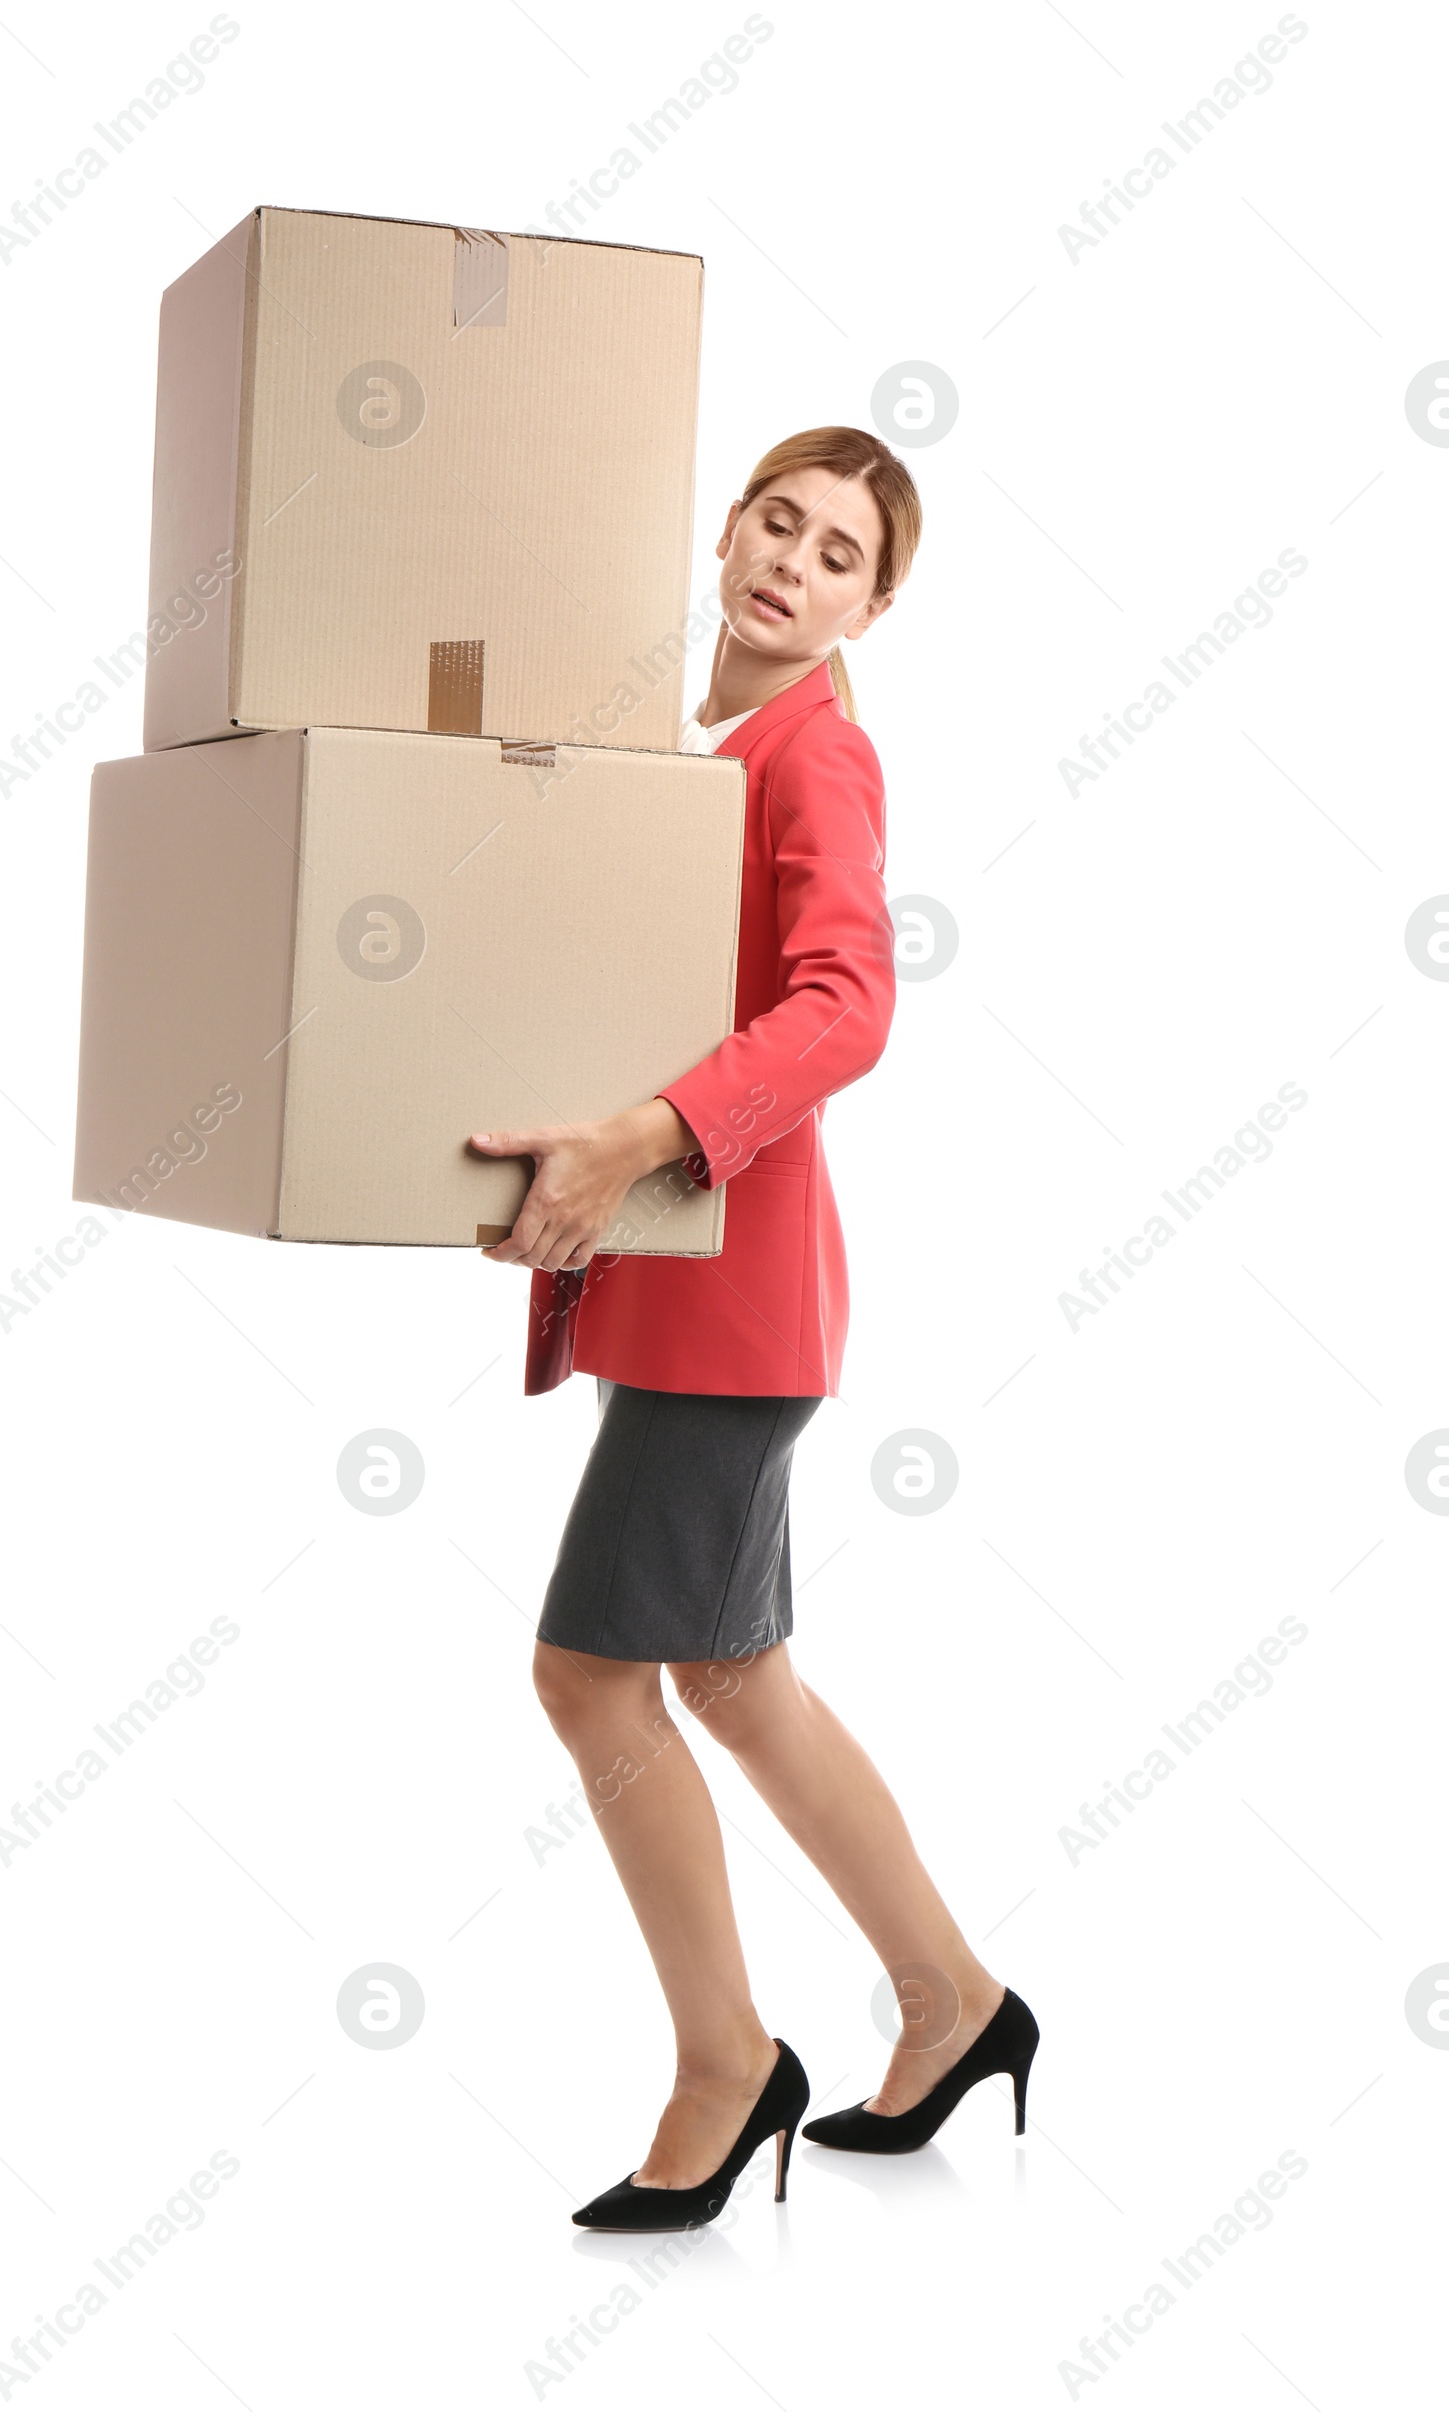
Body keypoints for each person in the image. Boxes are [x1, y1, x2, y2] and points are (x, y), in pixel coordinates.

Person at [469, 426, 1038, 2233]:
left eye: (840, 554)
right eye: (775, 522)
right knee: (729, 1677)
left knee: (589, 1676)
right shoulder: (679, 740)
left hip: (742, 1316)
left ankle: (731, 2066)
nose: (793, 562)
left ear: (877, 603)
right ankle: (956, 2002)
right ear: (722, 530)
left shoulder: (818, 754)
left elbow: (846, 1004)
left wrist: (643, 1136)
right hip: (708, 1303)